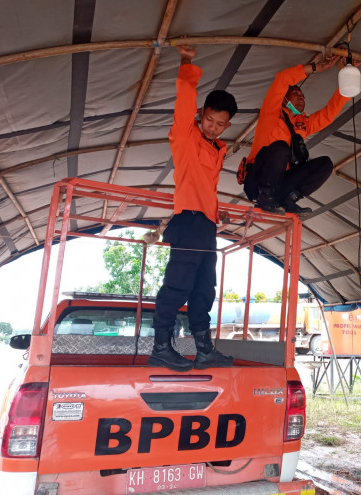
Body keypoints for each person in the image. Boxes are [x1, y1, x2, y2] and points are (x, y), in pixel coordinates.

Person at [148, 42, 238, 372]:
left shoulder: (216, 150)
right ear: (201, 115)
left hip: (206, 226)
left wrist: (216, 212)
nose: (212, 128)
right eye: (209, 120)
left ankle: (204, 349)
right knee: (178, 285)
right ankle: (160, 347)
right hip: (187, 222)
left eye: (220, 124)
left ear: (227, 126)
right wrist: (187, 63)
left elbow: (206, 189)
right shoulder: (186, 137)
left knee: (204, 289)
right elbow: (184, 101)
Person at [240, 56, 351, 215]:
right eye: (296, 93)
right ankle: (264, 199)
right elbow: (282, 78)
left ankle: (289, 199)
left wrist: (348, 77)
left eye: (303, 96)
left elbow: (328, 114)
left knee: (325, 164)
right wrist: (314, 68)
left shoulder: (302, 125)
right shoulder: (271, 114)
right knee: (281, 148)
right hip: (258, 181)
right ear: (283, 97)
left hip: (281, 184)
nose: (301, 97)